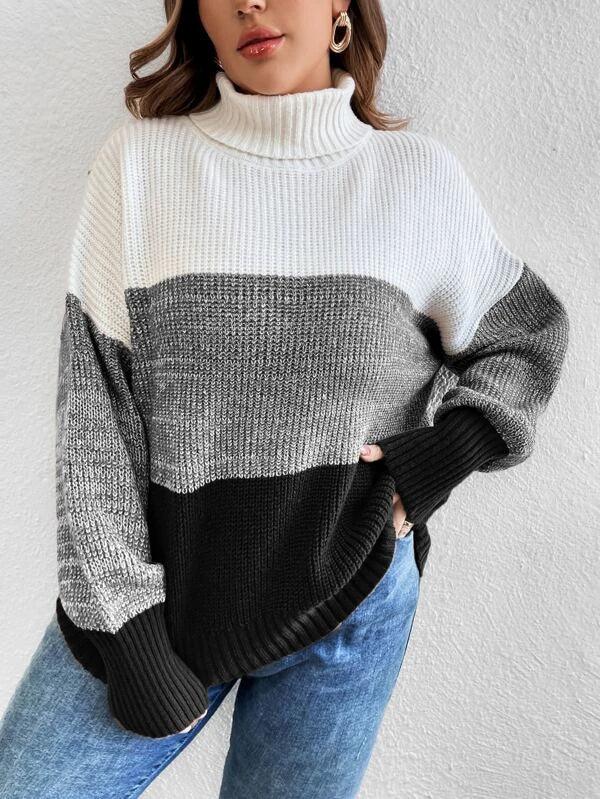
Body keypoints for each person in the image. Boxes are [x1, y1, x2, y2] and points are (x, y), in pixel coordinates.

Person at [0, 1, 569, 797]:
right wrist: (127, 630)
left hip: (351, 599)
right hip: (162, 598)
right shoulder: (137, 167)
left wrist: (437, 459)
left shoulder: (416, 179)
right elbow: (94, 417)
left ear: (340, 7)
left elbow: (528, 334)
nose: (250, 3)